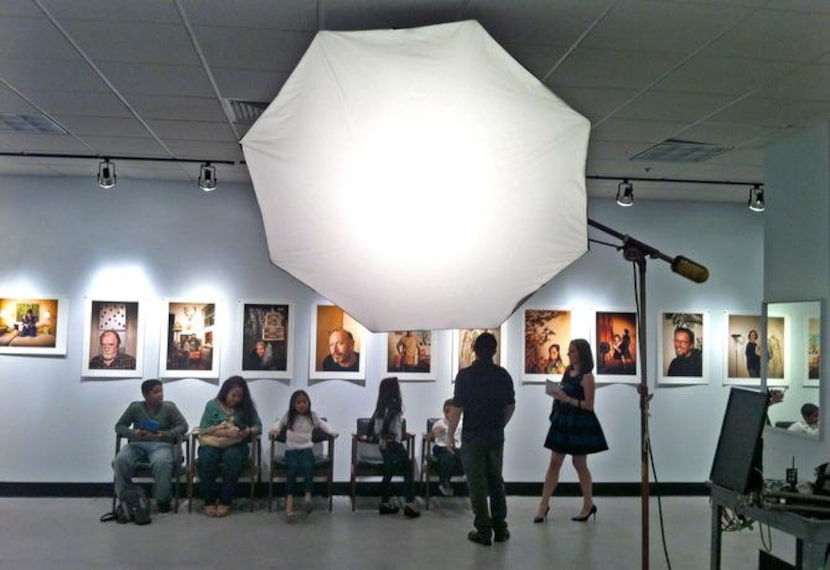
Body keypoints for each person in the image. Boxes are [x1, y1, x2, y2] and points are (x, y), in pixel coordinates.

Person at [447, 332, 515, 546]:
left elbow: (456, 409)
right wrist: (499, 425)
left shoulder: (465, 376)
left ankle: (483, 530)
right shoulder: (502, 375)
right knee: (496, 481)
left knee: (476, 483)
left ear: (474, 349)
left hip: (473, 435)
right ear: (494, 350)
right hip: (495, 435)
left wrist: (450, 434)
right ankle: (500, 529)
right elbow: (510, 406)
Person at [536, 339, 608, 524]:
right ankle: (543, 505)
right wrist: (557, 396)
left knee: (579, 463)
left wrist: (566, 398)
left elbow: (589, 406)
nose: (569, 354)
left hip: (579, 423)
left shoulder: (587, 377)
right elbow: (563, 392)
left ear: (582, 354)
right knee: (554, 462)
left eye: (573, 351)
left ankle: (588, 504)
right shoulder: (568, 372)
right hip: (563, 420)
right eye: (569, 351)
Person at [113, 379, 188, 513]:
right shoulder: (135, 408)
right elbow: (119, 427)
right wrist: (134, 432)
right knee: (121, 460)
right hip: (137, 445)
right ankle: (126, 498)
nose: (160, 395)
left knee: (162, 462)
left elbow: (183, 426)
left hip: (162, 445)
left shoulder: (169, 407)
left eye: (161, 391)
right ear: (146, 395)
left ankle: (162, 500)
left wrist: (164, 434)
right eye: (156, 392)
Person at [197, 376, 262, 517]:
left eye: (240, 396)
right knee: (206, 457)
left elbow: (258, 426)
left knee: (232, 458)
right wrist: (225, 432)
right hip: (213, 441)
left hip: (237, 444)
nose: (236, 399)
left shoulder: (246, 407)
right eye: (233, 395)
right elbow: (204, 428)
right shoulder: (212, 405)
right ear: (225, 392)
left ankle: (225, 501)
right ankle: (209, 501)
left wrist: (247, 431)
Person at [268, 390, 338, 521]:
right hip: (291, 450)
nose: (301, 405)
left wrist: (333, 432)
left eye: (304, 402)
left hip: (306, 449)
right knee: (292, 467)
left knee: (307, 466)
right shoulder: (289, 415)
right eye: (298, 402)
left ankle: (307, 496)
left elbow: (323, 425)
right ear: (293, 404)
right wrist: (274, 430)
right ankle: (290, 499)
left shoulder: (312, 416)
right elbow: (278, 424)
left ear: (308, 403)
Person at [363, 376, 420, 518]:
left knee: (388, 471)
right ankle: (410, 504)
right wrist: (384, 436)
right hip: (392, 441)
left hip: (384, 443)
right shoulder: (395, 403)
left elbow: (371, 421)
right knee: (408, 469)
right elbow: (388, 421)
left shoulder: (381, 405)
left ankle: (385, 503)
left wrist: (369, 435)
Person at [429, 398, 464, 497]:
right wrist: (436, 432)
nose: (448, 414)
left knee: (459, 456)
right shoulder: (440, 423)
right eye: (446, 411)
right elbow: (432, 434)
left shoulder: (462, 423)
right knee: (448, 456)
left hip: (457, 448)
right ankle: (444, 482)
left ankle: (445, 481)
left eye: (450, 411)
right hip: (442, 447)